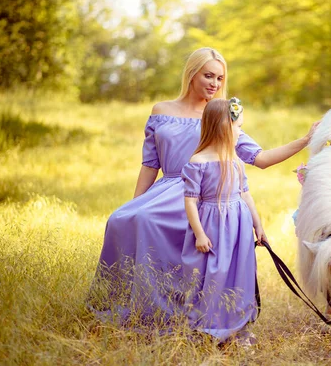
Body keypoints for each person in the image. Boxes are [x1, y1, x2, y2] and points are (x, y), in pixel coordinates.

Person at [88, 47, 317, 328]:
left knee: (161, 226)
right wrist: (137, 203)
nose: (215, 84)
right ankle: (136, 305)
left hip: (203, 195)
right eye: (209, 76)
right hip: (167, 190)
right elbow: (150, 165)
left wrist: (305, 140)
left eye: (220, 78)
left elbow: (261, 159)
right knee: (126, 219)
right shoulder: (161, 111)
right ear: (192, 74)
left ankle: (191, 312)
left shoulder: (220, 115)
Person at [181, 97, 263, 345]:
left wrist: (258, 225)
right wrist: (199, 234)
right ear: (223, 126)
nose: (240, 132)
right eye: (238, 127)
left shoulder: (236, 161)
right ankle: (208, 324)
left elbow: (245, 194)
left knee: (241, 273)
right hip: (212, 226)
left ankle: (239, 327)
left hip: (239, 227)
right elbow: (190, 201)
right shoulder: (199, 162)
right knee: (212, 274)